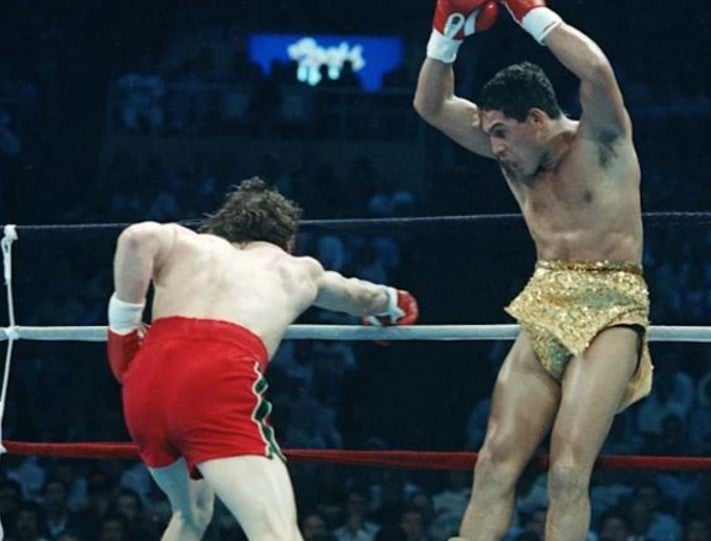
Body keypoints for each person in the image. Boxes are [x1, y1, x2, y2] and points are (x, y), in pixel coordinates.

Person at [413, 0, 652, 539]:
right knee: (494, 461)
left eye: (501, 132)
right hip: (543, 302)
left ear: (538, 120)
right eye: (490, 133)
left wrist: (530, 11)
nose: (494, 147)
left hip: (612, 307)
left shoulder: (602, 139)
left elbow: (596, 70)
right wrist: (446, 33)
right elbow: (432, 105)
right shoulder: (514, 153)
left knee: (567, 472)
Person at [105, 177, 418, 541]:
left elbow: (135, 238)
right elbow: (360, 296)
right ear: (288, 240)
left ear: (222, 225)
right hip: (216, 380)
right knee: (276, 534)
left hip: (145, 384)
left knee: (191, 514)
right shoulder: (294, 267)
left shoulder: (185, 242)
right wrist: (396, 303)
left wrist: (123, 329)